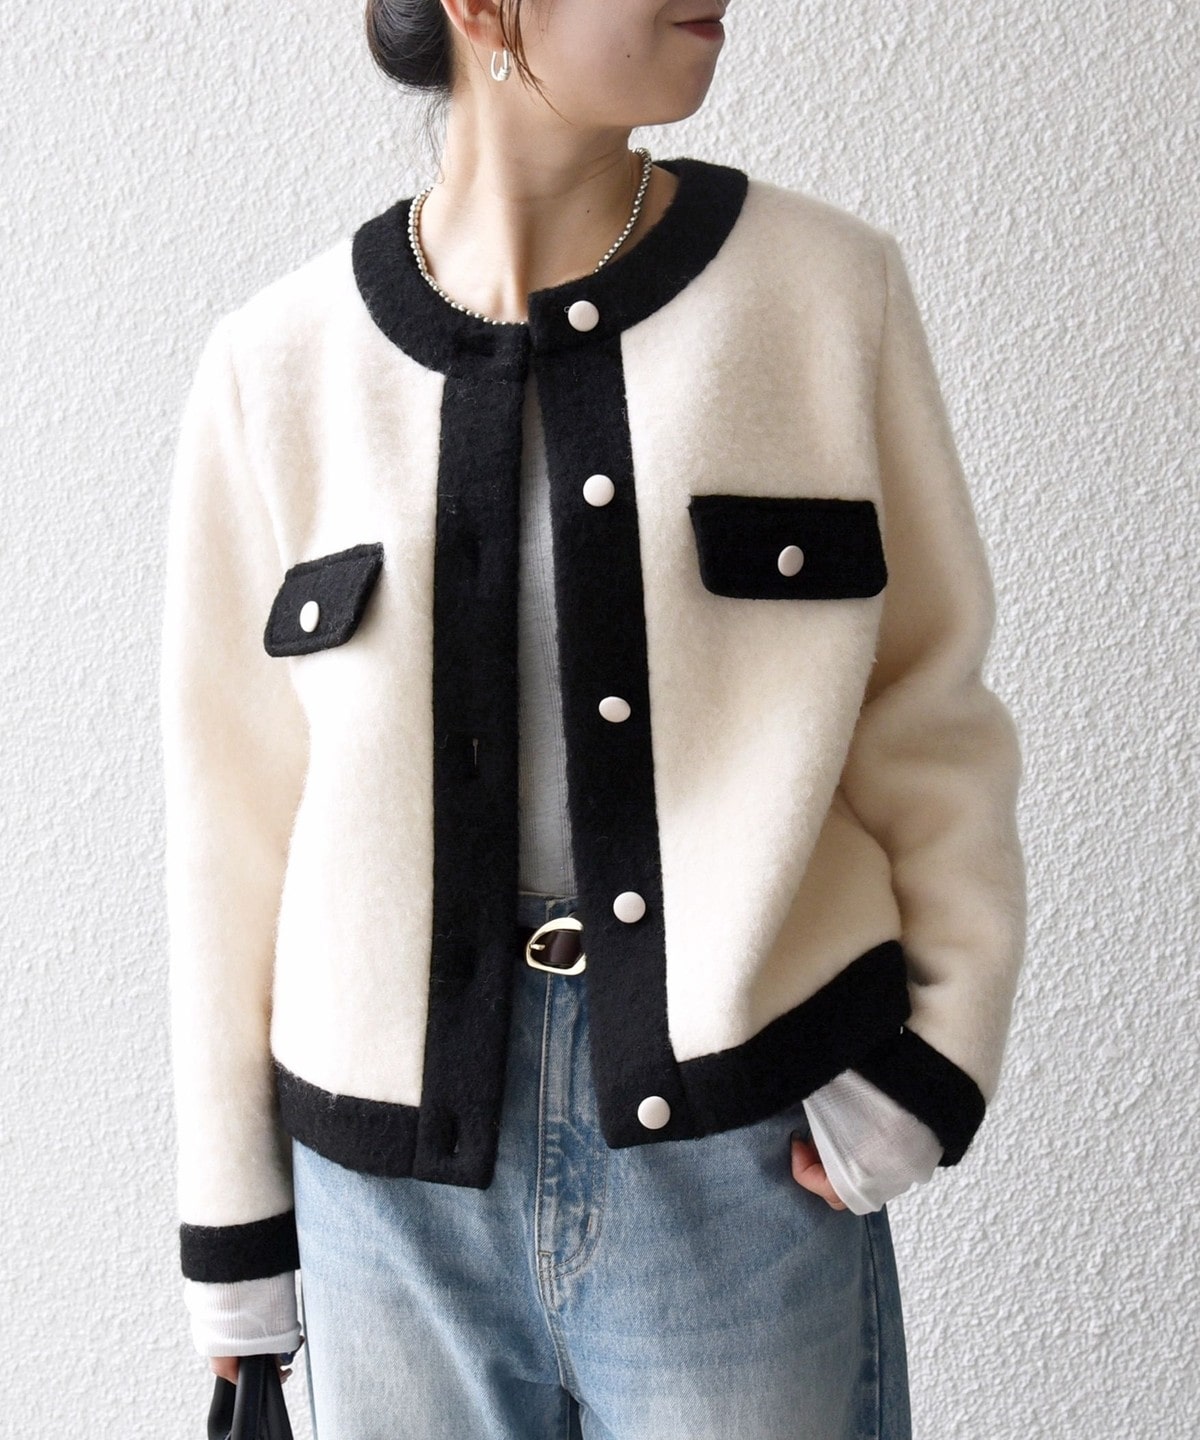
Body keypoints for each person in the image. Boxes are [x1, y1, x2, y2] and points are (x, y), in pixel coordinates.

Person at [160, 1, 1027, 1435]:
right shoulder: (277, 367)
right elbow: (228, 830)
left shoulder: (825, 294)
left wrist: (932, 1064)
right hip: (388, 1210)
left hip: (740, 1161)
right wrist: (235, 1237)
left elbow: (928, 711)